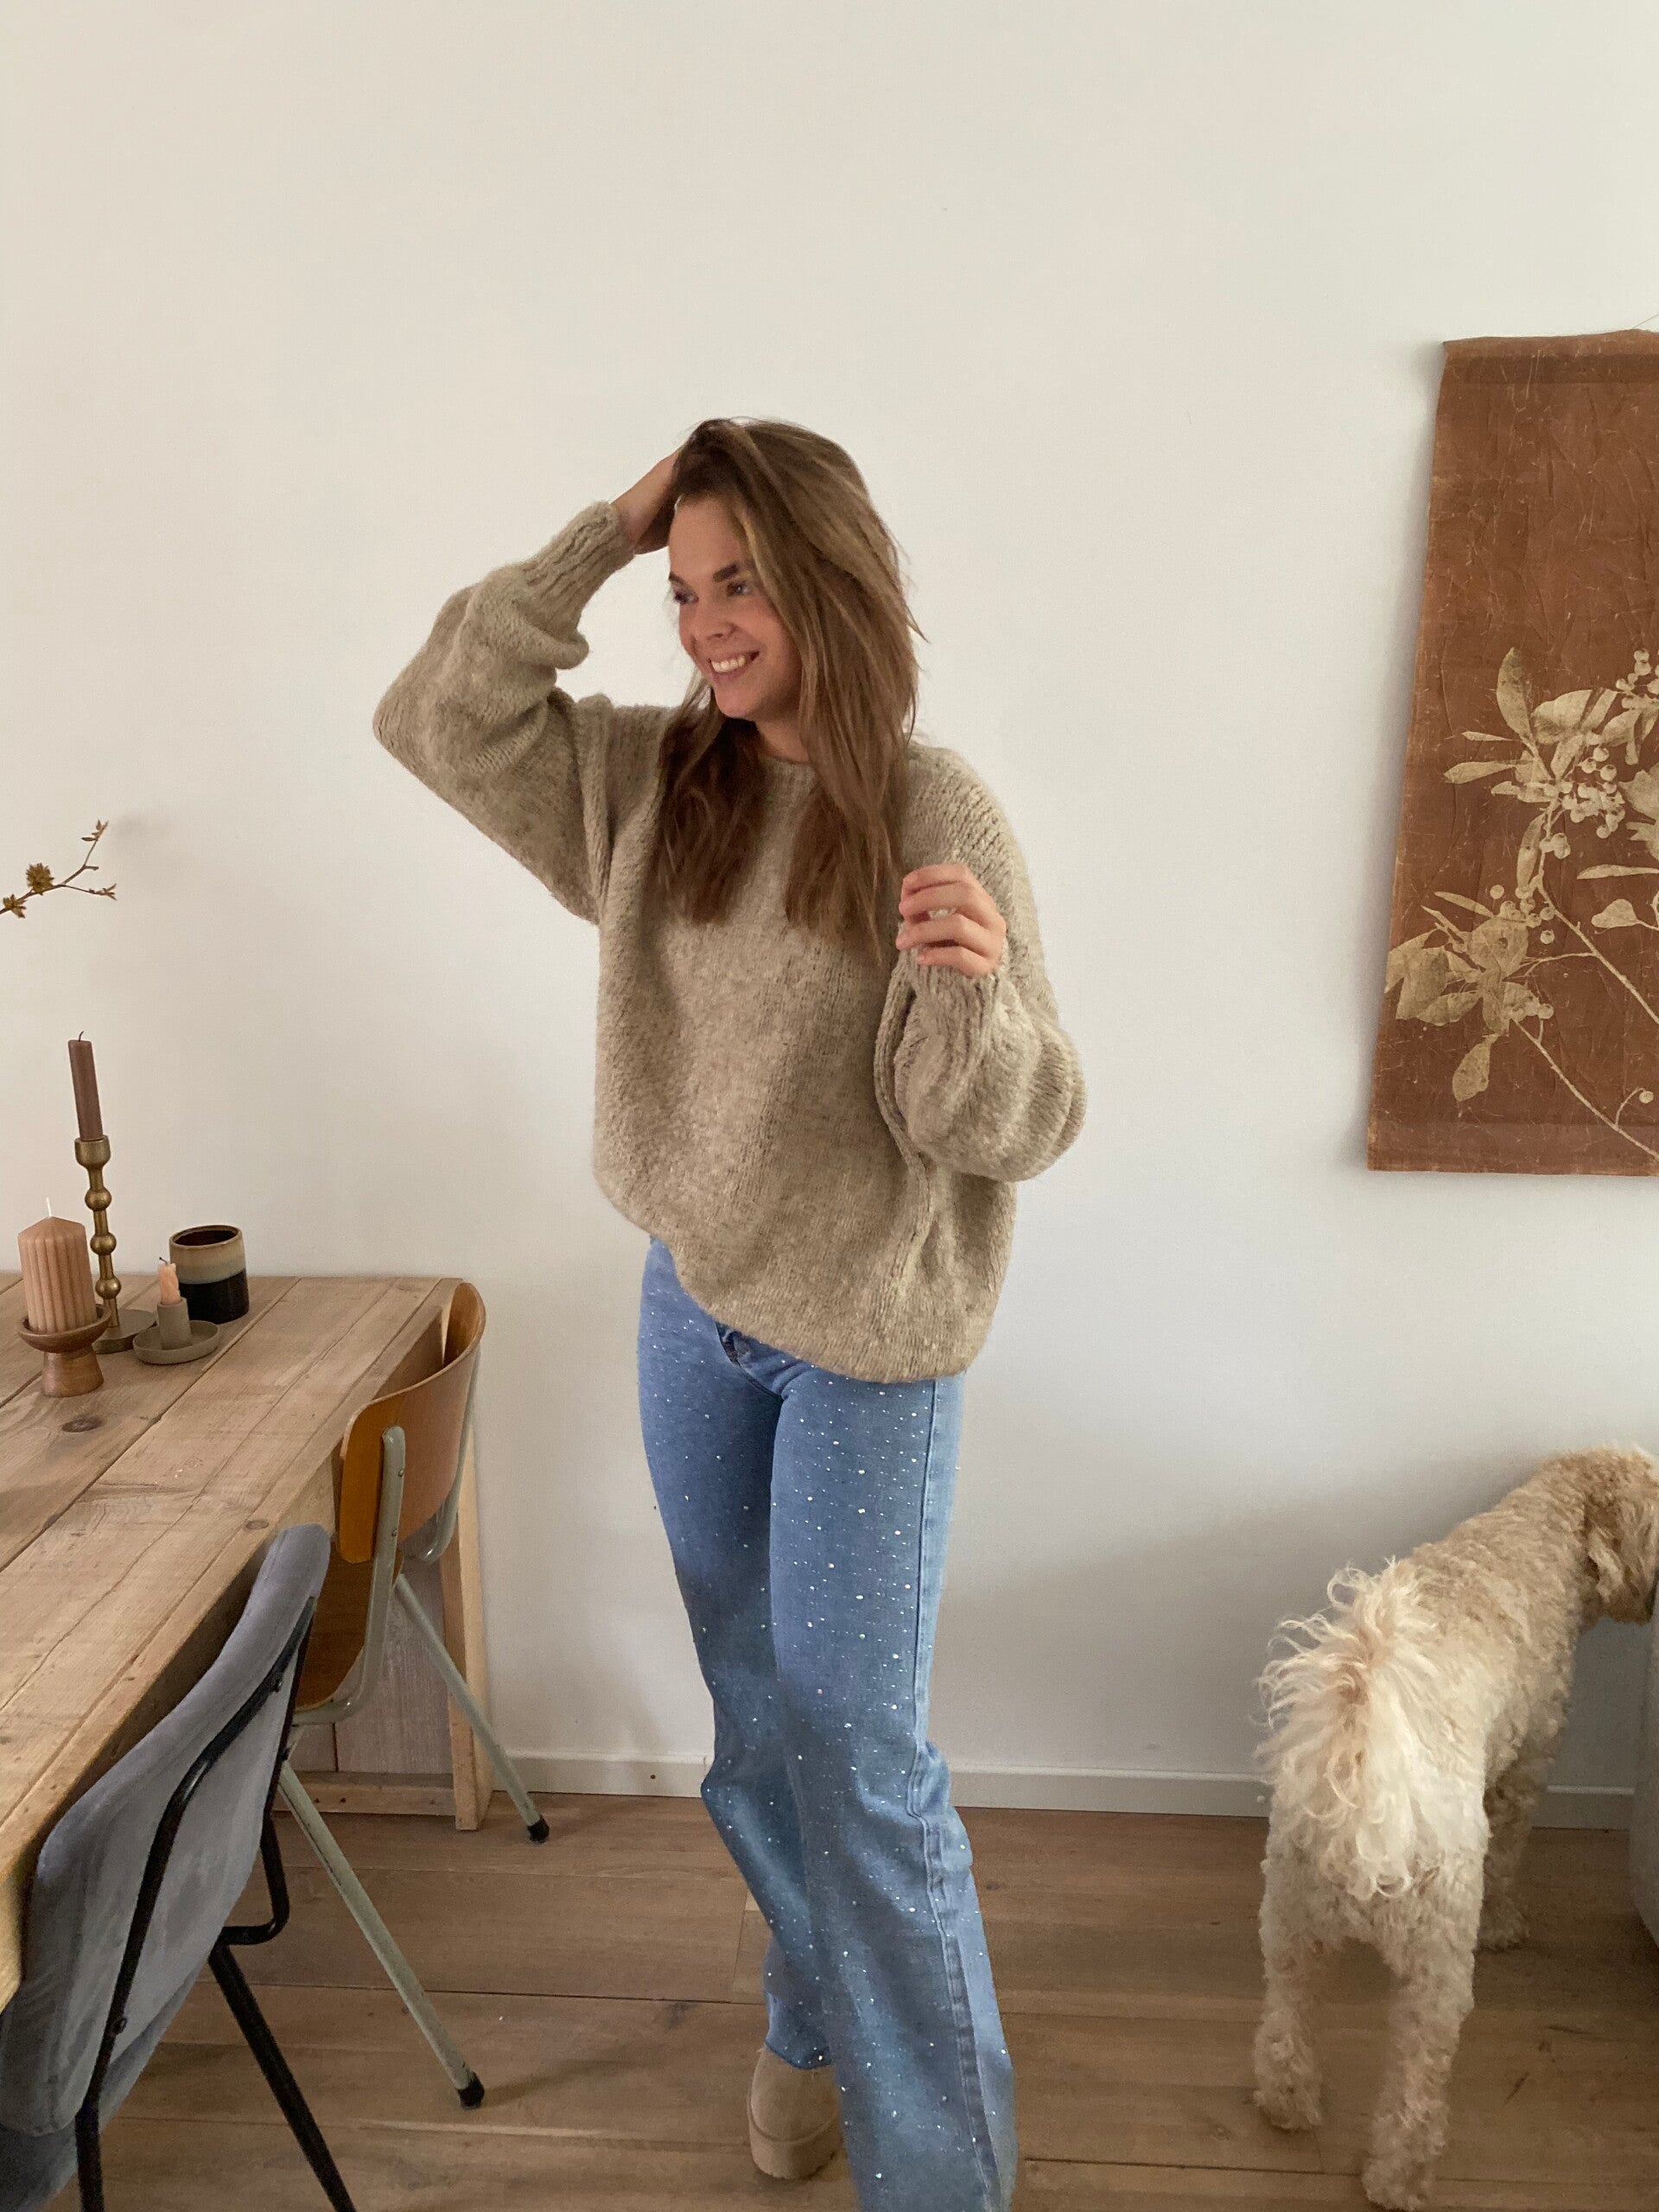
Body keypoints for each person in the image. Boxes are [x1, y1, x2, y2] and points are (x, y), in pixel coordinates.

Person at [372, 416, 1085, 2212]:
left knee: (860, 1752)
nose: (702, 624)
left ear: (829, 577)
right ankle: (811, 2015)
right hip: (692, 1310)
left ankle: (942, 2178)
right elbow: (437, 718)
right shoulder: (649, 784)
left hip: (871, 1341)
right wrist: (605, 532)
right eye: (682, 589)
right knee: (758, 1731)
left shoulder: (933, 808)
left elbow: (1007, 1126)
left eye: (738, 581)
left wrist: (976, 996)